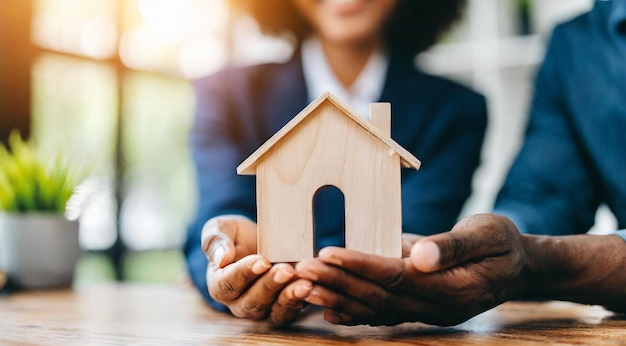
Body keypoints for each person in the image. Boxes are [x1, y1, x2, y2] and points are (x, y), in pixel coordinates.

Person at [290, 0, 626, 326]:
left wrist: (530, 258)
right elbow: (545, 196)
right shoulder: (575, 45)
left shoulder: (454, 110)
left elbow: (529, 244)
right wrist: (483, 247)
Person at [185, 0, 487, 324]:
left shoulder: (456, 112)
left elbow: (409, 230)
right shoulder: (227, 94)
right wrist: (226, 257)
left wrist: (288, 258)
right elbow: (220, 208)